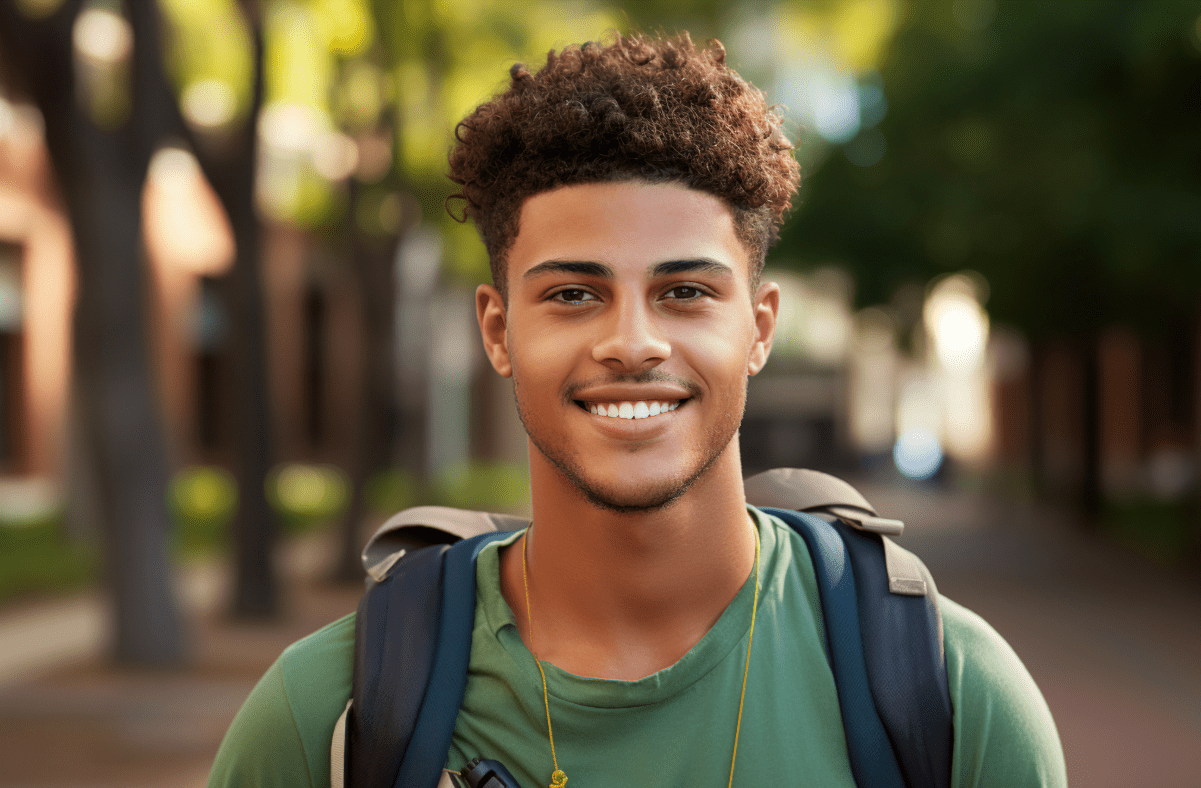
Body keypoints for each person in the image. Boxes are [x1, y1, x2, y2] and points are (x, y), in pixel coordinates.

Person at [207, 32, 1066, 788]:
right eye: (574, 293)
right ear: (498, 330)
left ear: (757, 329)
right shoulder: (330, 717)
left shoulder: (949, 696)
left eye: (685, 291)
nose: (631, 341)